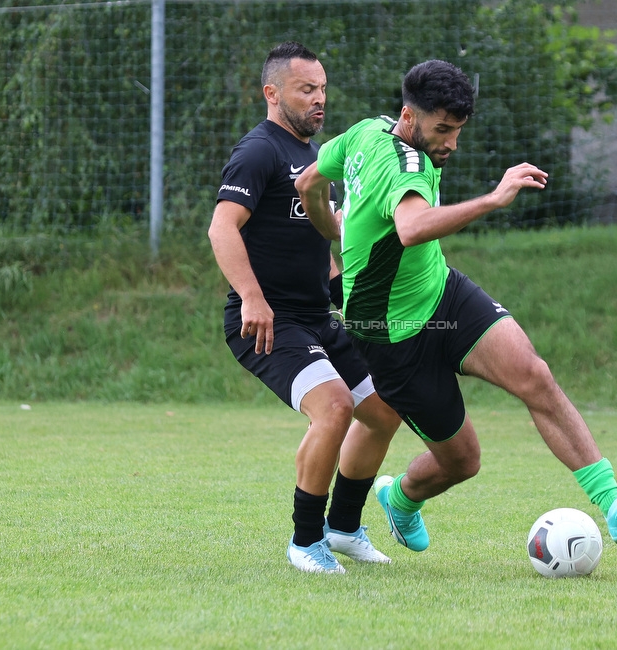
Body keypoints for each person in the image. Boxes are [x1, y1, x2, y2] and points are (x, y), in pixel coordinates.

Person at [295, 59, 617, 553]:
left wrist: (333, 231)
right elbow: (411, 228)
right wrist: (494, 199)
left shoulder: (365, 132)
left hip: (442, 293)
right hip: (391, 336)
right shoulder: (405, 164)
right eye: (442, 129)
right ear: (409, 116)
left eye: (458, 130)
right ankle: (400, 499)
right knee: (462, 462)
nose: (450, 142)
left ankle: (616, 507)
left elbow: (308, 183)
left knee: (535, 375)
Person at [208, 42, 403, 574]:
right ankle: (305, 541)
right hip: (266, 323)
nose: (319, 100)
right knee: (336, 407)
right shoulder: (259, 151)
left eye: (322, 90)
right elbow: (222, 227)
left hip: (318, 318)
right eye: (306, 90)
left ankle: (342, 528)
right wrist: (252, 297)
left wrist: (351, 300)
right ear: (272, 94)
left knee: (384, 411)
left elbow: (324, 245)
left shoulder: (317, 158)